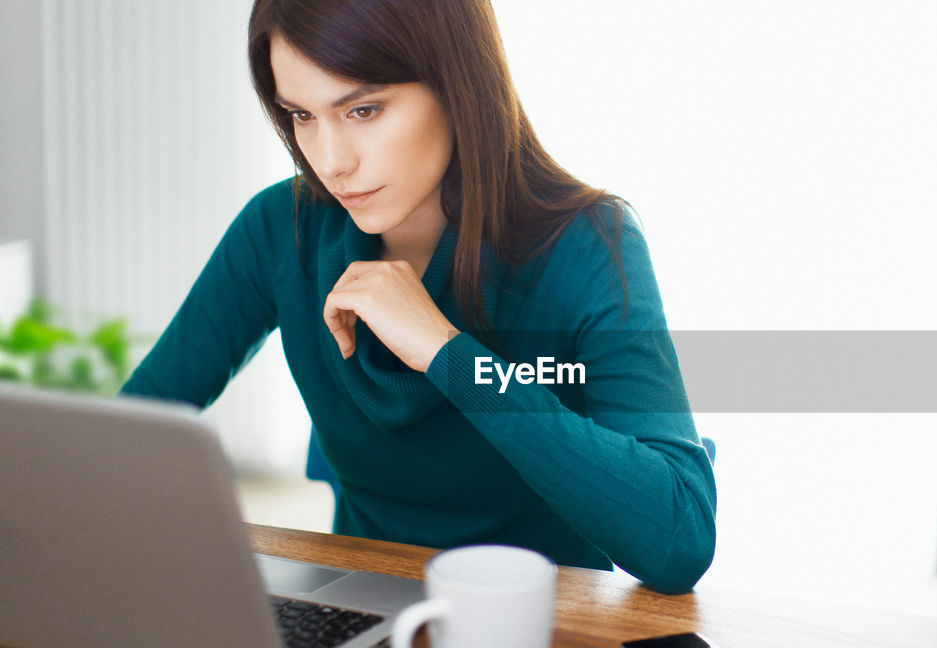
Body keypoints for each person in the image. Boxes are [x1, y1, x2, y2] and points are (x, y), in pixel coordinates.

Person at [121, 0, 715, 595]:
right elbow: (126, 436)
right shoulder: (283, 228)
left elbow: (680, 536)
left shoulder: (589, 245)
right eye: (302, 115)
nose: (331, 161)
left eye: (364, 109)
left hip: (537, 635)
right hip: (354, 621)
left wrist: (447, 352)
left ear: (457, 83)